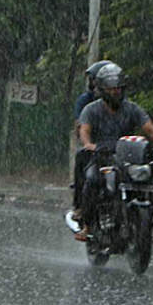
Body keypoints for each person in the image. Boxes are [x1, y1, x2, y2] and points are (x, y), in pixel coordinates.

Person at [74, 63, 153, 241]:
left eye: (118, 88)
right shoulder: (91, 109)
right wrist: (88, 144)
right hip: (101, 156)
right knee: (92, 181)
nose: (115, 92)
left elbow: (150, 129)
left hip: (128, 158)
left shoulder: (132, 109)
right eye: (110, 89)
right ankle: (88, 225)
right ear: (101, 90)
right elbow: (84, 130)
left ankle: (144, 225)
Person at [69, 60, 112, 221]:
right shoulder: (86, 101)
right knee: (82, 160)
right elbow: (80, 125)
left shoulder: (121, 102)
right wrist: (89, 141)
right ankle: (79, 205)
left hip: (116, 147)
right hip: (96, 146)